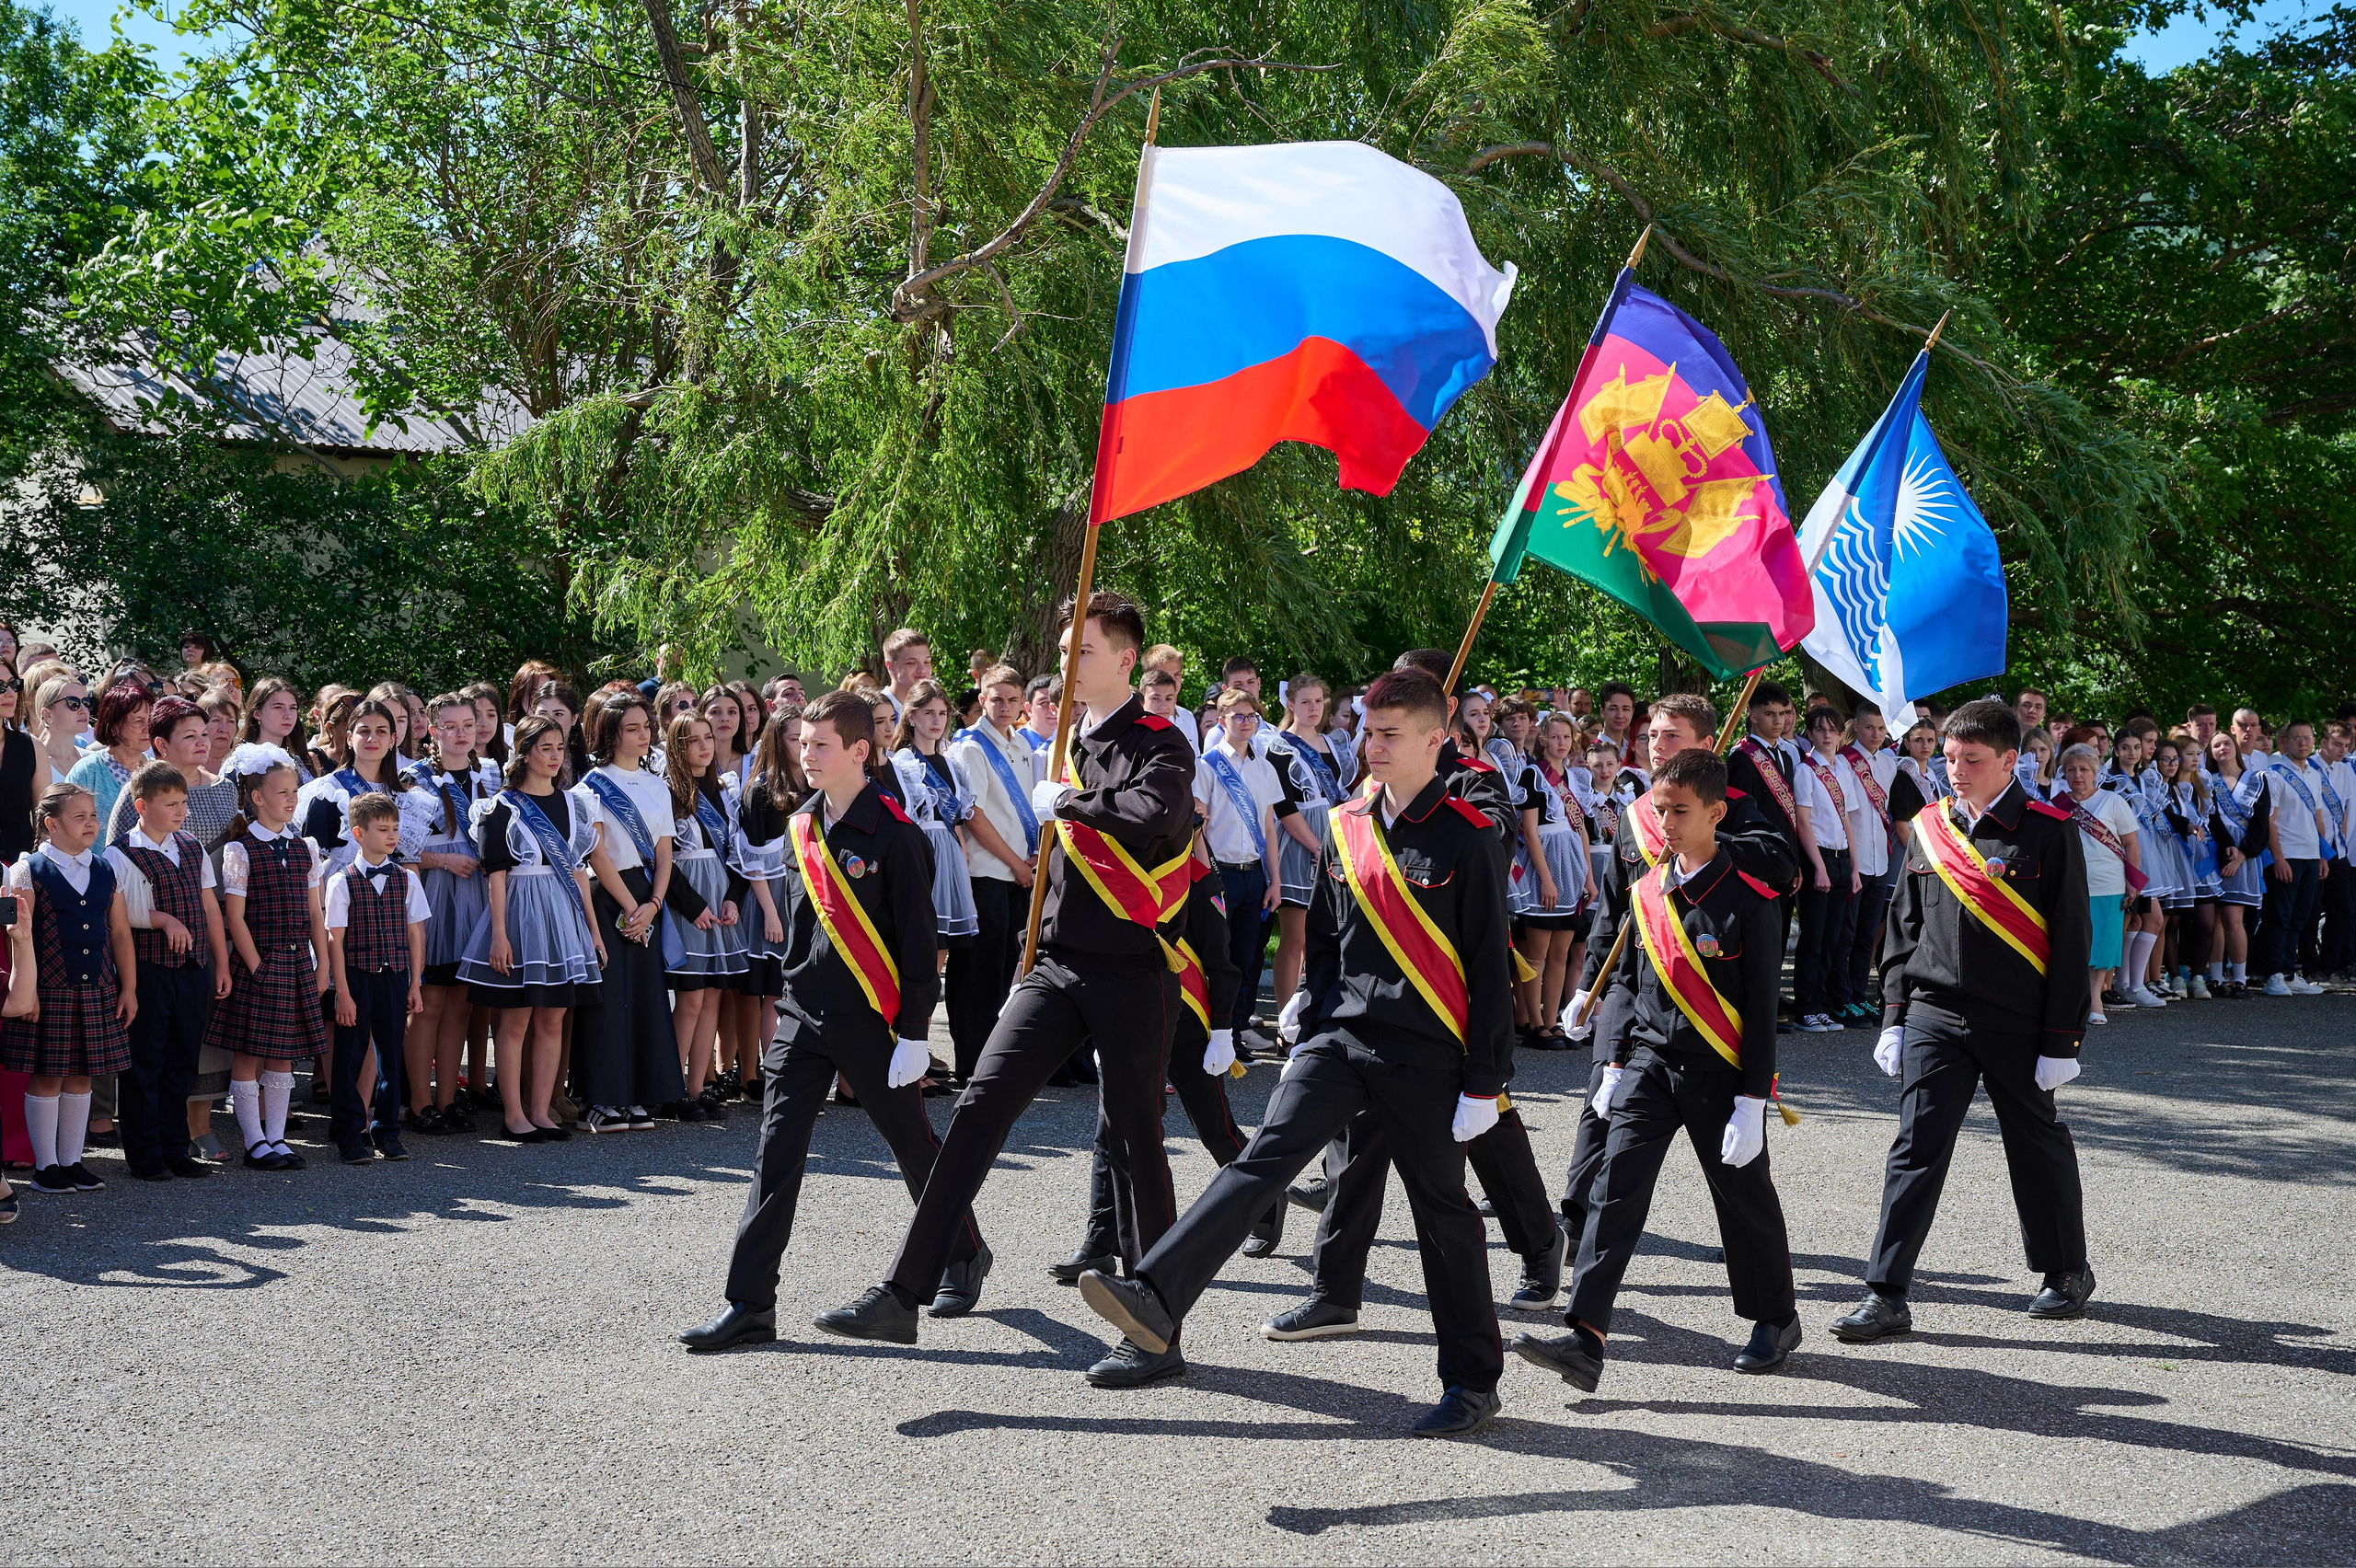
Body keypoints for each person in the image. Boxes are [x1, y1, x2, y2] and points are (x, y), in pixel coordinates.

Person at [1071, 667, 1514, 1435]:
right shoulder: (1347, 824)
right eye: (1368, 732)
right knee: (1261, 1161)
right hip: (1341, 1037)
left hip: (1426, 1053)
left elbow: (1488, 967)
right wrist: (1310, 1002)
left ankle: (1474, 1381)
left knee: (1443, 1211)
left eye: (1390, 735)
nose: (1372, 747)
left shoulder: (1469, 839)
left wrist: (1485, 1080)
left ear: (1436, 742)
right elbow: (1334, 938)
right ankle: (1157, 1295)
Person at [815, 591, 1194, 1377]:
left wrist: (1074, 803)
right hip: (1059, 963)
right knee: (979, 1106)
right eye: (1062, 650)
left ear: (1125, 659)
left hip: (1132, 968)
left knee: (1134, 1138)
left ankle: (1155, 1326)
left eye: (1082, 651)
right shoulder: (1055, 740)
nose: (1066, 663)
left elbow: (1157, 812)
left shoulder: (1157, 740)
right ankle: (906, 1291)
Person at [679, 690, 986, 1353]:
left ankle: (964, 1252)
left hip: (874, 1023)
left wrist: (913, 1033)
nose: (806, 755)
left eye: (820, 745)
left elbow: (915, 945)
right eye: (801, 743)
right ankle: (750, 1303)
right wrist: (792, 997)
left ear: (859, 752)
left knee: (913, 1148)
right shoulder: (802, 831)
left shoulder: (899, 837)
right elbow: (800, 934)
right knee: (775, 1152)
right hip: (802, 1017)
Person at [1513, 747, 1798, 1392]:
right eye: (1660, 810)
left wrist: (1754, 1099)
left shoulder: (1750, 902)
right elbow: (1637, 990)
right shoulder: (1648, 892)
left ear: (1717, 814)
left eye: (1680, 812)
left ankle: (1776, 1318)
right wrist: (1613, 1060)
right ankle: (1586, 1335)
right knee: (1614, 1192)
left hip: (1721, 1075)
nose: (1664, 824)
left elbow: (1758, 1011)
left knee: (1744, 1201)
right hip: (1648, 1065)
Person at [1833, 699, 2096, 1343]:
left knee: (2035, 1145)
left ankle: (2066, 1270)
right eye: (1949, 758)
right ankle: (1886, 1291)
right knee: (1915, 1150)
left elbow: (2071, 937)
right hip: (1933, 1014)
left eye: (1971, 760)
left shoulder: (2046, 828)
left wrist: (2063, 1037)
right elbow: (1904, 927)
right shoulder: (1929, 825)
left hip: (2019, 1020)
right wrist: (1894, 1014)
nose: (1956, 770)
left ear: (2010, 761)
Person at [1560, 694, 1796, 1241]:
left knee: (1718, 1134)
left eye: (1671, 737)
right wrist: (1584, 987)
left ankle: (1745, 1241)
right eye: (1650, 737)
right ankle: (1575, 1221)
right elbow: (1613, 909)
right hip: (1629, 982)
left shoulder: (1732, 803)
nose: (1656, 747)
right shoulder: (1635, 814)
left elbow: (1781, 862)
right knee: (1605, 1097)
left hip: (1700, 988)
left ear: (1705, 746)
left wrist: (1705, 843)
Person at [456, 716, 607, 1142]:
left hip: (563, 918)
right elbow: (496, 875)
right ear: (524, 752)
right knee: (515, 1020)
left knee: (554, 1017)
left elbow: (579, 872)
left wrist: (593, 932)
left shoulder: (576, 805)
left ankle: (541, 1110)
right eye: (546, 747)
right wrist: (499, 934)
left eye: (560, 747)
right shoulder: (499, 807)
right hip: (520, 914)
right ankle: (514, 1115)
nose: (556, 755)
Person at [4, 783, 136, 1195]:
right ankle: (46, 1168)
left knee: (82, 1075)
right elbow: (15, 932)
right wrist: (29, 991)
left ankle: (71, 1161)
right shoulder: (26, 870)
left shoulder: (105, 869)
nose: (91, 824)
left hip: (96, 985)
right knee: (47, 1076)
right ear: (50, 824)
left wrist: (128, 987)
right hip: (47, 990)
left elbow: (119, 931)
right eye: (80, 817)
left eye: (93, 816)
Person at [203, 747, 332, 1171]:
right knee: (249, 1054)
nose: (292, 798)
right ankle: (254, 1140)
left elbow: (316, 912)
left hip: (298, 963)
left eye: (295, 790)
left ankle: (276, 1137)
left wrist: (323, 963)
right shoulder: (241, 850)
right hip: (260, 963)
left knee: (284, 1054)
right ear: (257, 797)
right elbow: (234, 917)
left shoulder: (305, 846)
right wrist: (257, 965)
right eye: (282, 792)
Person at [104, 760, 230, 1182]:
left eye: (183, 802)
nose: (180, 811)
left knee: (182, 1060)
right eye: (170, 804)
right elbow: (121, 918)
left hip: (193, 968)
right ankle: (144, 1153)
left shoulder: (191, 846)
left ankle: (176, 1148)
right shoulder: (119, 853)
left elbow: (210, 906)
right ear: (141, 806)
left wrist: (221, 963)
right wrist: (160, 919)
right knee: (146, 1061)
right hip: (148, 968)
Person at [571, 693, 684, 1135]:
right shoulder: (589, 787)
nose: (643, 735)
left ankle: (637, 1094)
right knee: (607, 998)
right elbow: (595, 854)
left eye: (646, 727)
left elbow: (664, 851)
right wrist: (632, 906)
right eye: (632, 728)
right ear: (610, 733)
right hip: (608, 895)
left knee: (643, 997)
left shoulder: (658, 786)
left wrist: (653, 904)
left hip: (646, 895)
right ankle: (599, 1097)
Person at [322, 793, 429, 1164]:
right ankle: (349, 1133)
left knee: (391, 1058)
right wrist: (343, 993)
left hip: (396, 977)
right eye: (383, 829)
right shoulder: (341, 881)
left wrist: (415, 983)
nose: (392, 836)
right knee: (349, 1058)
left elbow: (416, 933)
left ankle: (386, 1131)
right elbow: (335, 940)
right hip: (356, 977)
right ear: (358, 833)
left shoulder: (406, 879)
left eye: (395, 828)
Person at [400, 694, 489, 1134]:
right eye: (449, 726)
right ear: (432, 731)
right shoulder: (414, 778)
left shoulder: (486, 775)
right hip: (435, 892)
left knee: (460, 1003)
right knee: (429, 1003)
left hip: (476, 894)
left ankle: (448, 1099)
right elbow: (402, 848)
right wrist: (444, 862)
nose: (460, 733)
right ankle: (419, 1103)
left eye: (467, 725)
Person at [946, 665, 1038, 1083]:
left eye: (1011, 699)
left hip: (1018, 873)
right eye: (995, 698)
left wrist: (1030, 859)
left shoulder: (1021, 746)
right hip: (987, 874)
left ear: (1022, 704)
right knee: (978, 976)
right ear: (981, 699)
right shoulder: (970, 747)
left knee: (1006, 971)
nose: (1003, 706)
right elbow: (975, 816)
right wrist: (1018, 864)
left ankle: (997, 1060)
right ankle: (972, 1062)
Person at [662, 710, 750, 1106]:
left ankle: (697, 1088)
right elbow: (658, 862)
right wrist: (693, 905)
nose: (703, 746)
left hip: (721, 898)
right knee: (692, 997)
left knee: (712, 995)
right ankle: (671, 1088)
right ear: (677, 748)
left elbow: (740, 855)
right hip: (687, 900)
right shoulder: (665, 792)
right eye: (693, 740)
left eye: (707, 738)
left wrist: (733, 897)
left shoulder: (726, 790)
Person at [1197, 689, 1289, 1043]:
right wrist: (1208, 879)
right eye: (1238, 716)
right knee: (1218, 957)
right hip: (1219, 873)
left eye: (1251, 716)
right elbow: (1198, 827)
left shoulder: (1264, 768)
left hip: (1254, 875)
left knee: (1247, 958)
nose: (1246, 722)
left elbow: (1269, 827)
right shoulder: (1206, 766)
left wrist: (1275, 881)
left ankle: (1236, 1031)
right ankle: (1213, 1032)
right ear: (1222, 721)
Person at [1265, 674, 1355, 1021]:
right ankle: (1285, 1024)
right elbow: (1284, 807)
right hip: (1299, 843)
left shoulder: (1332, 745)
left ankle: (1316, 1012)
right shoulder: (1278, 746)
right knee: (1295, 937)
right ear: (1290, 703)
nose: (1314, 708)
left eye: (1319, 701)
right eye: (1305, 702)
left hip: (1332, 838)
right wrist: (1318, 847)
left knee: (1328, 933)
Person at [731, 703, 807, 1101]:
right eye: (796, 738)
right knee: (772, 992)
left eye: (808, 738)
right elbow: (752, 861)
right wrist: (772, 913)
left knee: (799, 991)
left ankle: (795, 1071)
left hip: (805, 893)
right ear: (778, 741)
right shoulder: (760, 789)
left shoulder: (815, 783)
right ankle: (771, 1073)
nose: (804, 745)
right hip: (772, 898)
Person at [890, 679, 983, 963]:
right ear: (912, 716)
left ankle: (928, 1009)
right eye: (929, 712)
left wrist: (963, 864)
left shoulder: (953, 764)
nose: (937, 720)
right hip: (920, 850)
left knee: (942, 947)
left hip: (950, 854)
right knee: (917, 941)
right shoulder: (902, 761)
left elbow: (957, 822)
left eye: (942, 714)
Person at [2050, 744, 2142, 1025]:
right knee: (2072, 943)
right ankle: (2074, 1000)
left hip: (2108, 883)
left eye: (2084, 769)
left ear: (2096, 771)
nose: (2078, 775)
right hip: (2069, 884)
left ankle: (2095, 1000)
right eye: (2071, 769)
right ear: (2063, 773)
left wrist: (2133, 882)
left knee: (2103, 945)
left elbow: (2131, 845)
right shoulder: (2055, 805)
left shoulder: (2113, 802)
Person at [1792, 705, 1864, 1032]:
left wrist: (1855, 867)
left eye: (1832, 729)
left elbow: (1847, 818)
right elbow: (1803, 821)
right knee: (1814, 936)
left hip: (1841, 857)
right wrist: (1818, 867)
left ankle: (1821, 1004)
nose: (1826, 735)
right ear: (1811, 733)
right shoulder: (1806, 770)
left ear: (1839, 733)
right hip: (1818, 856)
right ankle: (1805, 1006)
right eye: (1820, 729)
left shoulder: (1844, 768)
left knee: (1833, 938)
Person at [2258, 720, 2331, 996]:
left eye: (2307, 737)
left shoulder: (2314, 773)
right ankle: (2273, 974)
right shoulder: (2274, 775)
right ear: (2284, 742)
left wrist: (2323, 855)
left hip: (2311, 855)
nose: (2303, 742)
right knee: (2279, 916)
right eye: (2296, 738)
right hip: (2287, 855)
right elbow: (2270, 822)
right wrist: (2278, 858)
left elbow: (2318, 817)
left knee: (2301, 917)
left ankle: (2289, 972)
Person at [68, 678, 155, 838]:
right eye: (139, 721)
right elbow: (66, 823)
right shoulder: (87, 771)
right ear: (114, 726)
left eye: (150, 720)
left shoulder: (158, 771)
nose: (147, 728)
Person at [880, 628, 933, 718]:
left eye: (927, 662)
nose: (922, 670)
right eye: (911, 663)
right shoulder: (875, 710)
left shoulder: (934, 708)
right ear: (891, 666)